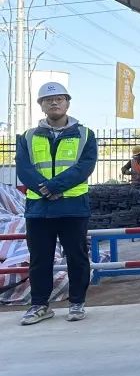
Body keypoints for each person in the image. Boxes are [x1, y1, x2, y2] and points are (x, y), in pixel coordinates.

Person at [16, 82, 98, 325]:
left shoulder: (85, 135)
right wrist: (44, 189)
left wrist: (53, 187)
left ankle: (77, 303)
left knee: (77, 257)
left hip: (72, 207)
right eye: (48, 99)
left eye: (60, 98)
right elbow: (24, 168)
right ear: (41, 105)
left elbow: (85, 167)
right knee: (40, 259)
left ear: (67, 103)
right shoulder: (28, 137)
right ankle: (40, 305)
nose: (54, 102)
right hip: (39, 210)